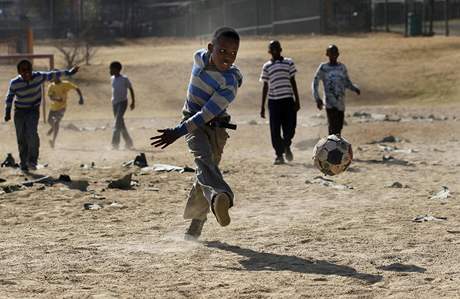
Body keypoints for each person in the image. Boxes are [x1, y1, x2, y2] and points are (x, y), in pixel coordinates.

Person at [151, 27, 243, 240]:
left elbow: (206, 114)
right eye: (222, 51)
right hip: (193, 123)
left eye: (233, 53)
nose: (228, 57)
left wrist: (177, 132)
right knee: (204, 163)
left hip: (216, 127)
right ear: (211, 48)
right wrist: (183, 129)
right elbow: (196, 118)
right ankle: (222, 196)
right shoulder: (199, 58)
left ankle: (196, 223)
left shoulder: (229, 83)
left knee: (206, 172)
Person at [3, 59, 79, 171]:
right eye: (23, 70)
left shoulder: (38, 77)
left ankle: (32, 161)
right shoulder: (14, 83)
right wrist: (7, 112)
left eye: (28, 70)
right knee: (21, 137)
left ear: (31, 70)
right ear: (19, 72)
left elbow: (53, 74)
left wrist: (69, 72)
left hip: (33, 110)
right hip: (19, 111)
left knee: (32, 134)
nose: (26, 73)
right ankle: (23, 163)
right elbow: (9, 98)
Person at [260, 40, 300, 165]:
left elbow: (293, 81)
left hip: (288, 100)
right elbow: (265, 86)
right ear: (269, 51)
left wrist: (297, 100)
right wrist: (262, 106)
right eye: (272, 49)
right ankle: (279, 155)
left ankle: (286, 145)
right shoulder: (267, 66)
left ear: (281, 49)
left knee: (290, 127)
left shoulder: (289, 62)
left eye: (277, 48)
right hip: (274, 101)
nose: (275, 51)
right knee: (275, 130)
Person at [312, 44, 360, 136]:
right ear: (327, 54)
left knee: (339, 127)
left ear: (338, 54)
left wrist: (354, 88)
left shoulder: (342, 67)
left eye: (335, 53)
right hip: (330, 103)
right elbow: (315, 83)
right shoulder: (323, 68)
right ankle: (332, 148)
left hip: (340, 103)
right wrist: (317, 98)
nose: (333, 55)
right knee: (333, 126)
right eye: (331, 53)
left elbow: (347, 82)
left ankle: (336, 147)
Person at [46, 76, 84, 148]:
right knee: (49, 121)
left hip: (62, 108)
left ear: (58, 76)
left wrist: (81, 98)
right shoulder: (51, 86)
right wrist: (57, 99)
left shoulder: (65, 84)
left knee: (57, 123)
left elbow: (77, 88)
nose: (53, 78)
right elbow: (50, 97)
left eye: (55, 76)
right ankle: (53, 128)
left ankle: (53, 141)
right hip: (53, 108)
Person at [110, 61, 135, 150]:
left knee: (117, 123)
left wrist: (133, 102)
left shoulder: (124, 79)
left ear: (117, 69)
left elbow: (131, 89)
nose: (110, 70)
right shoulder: (112, 78)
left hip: (122, 102)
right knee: (120, 124)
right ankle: (129, 142)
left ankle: (115, 144)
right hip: (114, 104)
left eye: (111, 69)